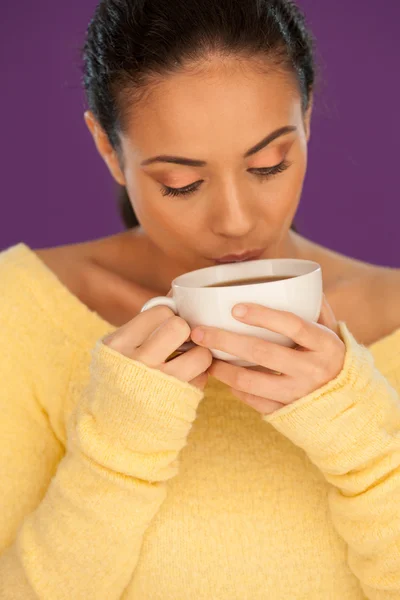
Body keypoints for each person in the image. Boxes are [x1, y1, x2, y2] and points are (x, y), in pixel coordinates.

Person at [1, 0, 399, 597]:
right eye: (180, 183)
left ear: (307, 118)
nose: (236, 222)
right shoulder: (19, 310)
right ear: (109, 149)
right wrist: (118, 446)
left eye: (269, 164)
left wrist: (363, 438)